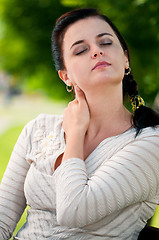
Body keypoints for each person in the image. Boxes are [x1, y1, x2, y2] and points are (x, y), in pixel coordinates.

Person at [0, 8, 159, 240]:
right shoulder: (39, 129)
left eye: (105, 43)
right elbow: (3, 216)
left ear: (125, 58)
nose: (96, 51)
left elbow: (73, 210)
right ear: (65, 76)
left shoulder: (150, 143)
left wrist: (75, 135)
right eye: (81, 50)